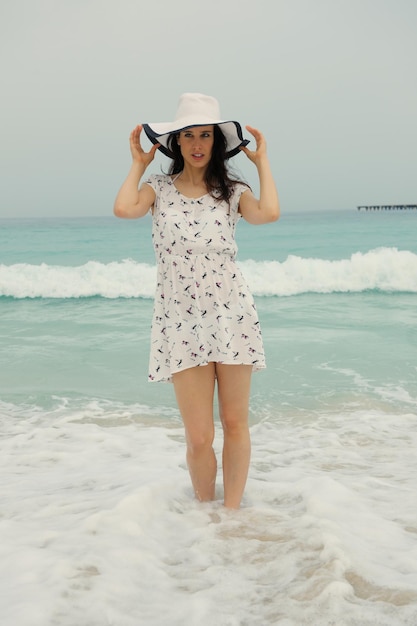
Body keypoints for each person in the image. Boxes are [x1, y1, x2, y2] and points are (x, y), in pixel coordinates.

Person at [114, 93, 279, 509]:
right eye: (188, 135)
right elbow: (123, 208)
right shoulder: (158, 189)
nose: (198, 143)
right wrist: (138, 165)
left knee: (236, 422)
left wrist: (262, 163)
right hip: (180, 320)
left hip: (232, 314)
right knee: (200, 435)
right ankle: (206, 517)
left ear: (217, 142)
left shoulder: (233, 192)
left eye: (206, 135)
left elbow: (269, 214)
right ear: (177, 142)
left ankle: (232, 515)